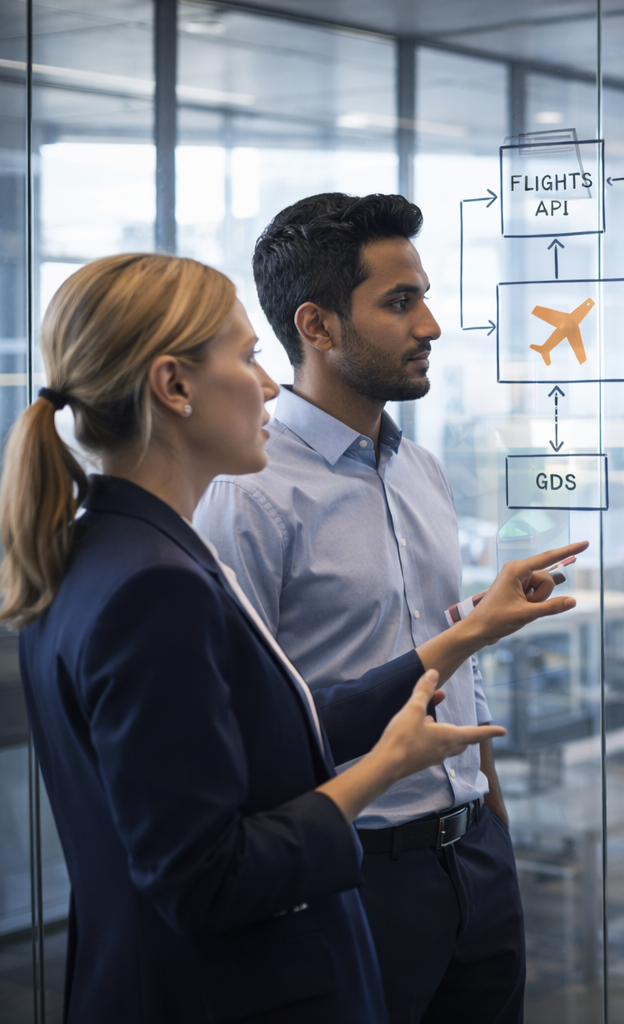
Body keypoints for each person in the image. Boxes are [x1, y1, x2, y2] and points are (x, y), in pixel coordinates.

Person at [0, 253, 529, 1021]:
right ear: (174, 386)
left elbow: (264, 734)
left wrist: (462, 638)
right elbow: (204, 875)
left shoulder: (98, 548)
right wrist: (382, 770)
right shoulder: (156, 584)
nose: (272, 383)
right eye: (247, 356)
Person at [195, 193, 572, 1024]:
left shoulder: (421, 468)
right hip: (356, 870)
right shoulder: (247, 493)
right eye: (401, 302)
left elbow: (452, 662)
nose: (430, 324)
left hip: (473, 856)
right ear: (318, 327)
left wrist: (491, 820)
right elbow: (247, 729)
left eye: (424, 296)